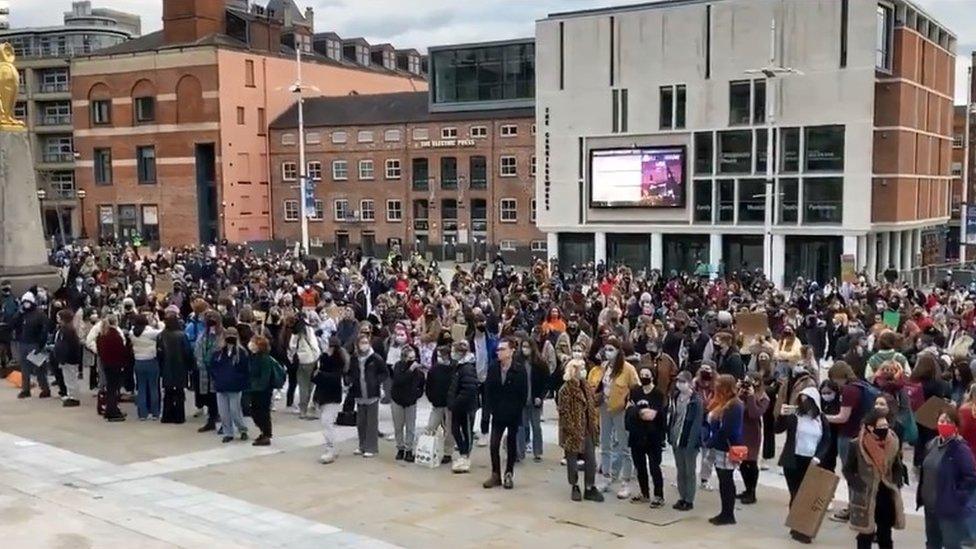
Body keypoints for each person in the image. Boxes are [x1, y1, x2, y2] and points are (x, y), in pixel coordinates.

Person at [843, 409, 906, 549]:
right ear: (870, 427)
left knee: (885, 533)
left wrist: (896, 481)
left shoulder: (893, 442)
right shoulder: (856, 445)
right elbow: (848, 470)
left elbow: (897, 465)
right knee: (865, 534)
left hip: (886, 493)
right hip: (866, 495)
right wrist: (859, 486)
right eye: (880, 426)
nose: (884, 429)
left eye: (886, 426)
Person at [776, 386, 831, 544]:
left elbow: (826, 440)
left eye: (806, 399)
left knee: (807, 495)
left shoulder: (821, 419)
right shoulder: (794, 415)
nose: (803, 402)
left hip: (811, 461)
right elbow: (777, 429)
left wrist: (818, 457)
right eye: (801, 399)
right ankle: (796, 526)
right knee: (796, 494)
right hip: (793, 459)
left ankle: (804, 527)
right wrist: (781, 416)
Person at [588, 338, 640, 499]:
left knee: (624, 447)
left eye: (611, 349)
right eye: (606, 349)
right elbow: (602, 386)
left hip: (621, 410)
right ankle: (606, 477)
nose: (608, 352)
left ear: (618, 350)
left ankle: (625, 482)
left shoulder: (628, 369)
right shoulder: (605, 367)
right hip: (605, 406)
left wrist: (629, 404)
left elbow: (636, 388)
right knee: (605, 444)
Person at [917, 409, 976, 549]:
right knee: (932, 543)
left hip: (949, 508)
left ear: (956, 426)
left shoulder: (960, 450)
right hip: (930, 506)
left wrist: (957, 497)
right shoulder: (931, 445)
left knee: (951, 544)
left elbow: (970, 478)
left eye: (948, 422)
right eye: (941, 421)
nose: (944, 424)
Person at [483, 336, 528, 490]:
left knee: (511, 444)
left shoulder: (519, 369)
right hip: (497, 412)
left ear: (511, 351)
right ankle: (496, 474)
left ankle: (509, 473)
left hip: (513, 413)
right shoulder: (493, 368)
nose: (499, 352)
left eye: (502, 349)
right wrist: (487, 412)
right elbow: (488, 391)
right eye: (498, 349)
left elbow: (523, 393)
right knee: (494, 444)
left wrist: (517, 410)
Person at [557, 356, 603, 502]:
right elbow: (564, 412)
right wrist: (571, 429)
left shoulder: (586, 386)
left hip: (587, 428)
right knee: (572, 460)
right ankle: (574, 485)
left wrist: (603, 396)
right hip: (572, 430)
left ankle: (590, 487)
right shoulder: (565, 390)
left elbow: (591, 403)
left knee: (591, 459)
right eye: (581, 368)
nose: (584, 370)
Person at [703, 374, 744, 526]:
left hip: (727, 447)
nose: (716, 386)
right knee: (723, 480)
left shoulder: (735, 405)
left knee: (726, 481)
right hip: (720, 446)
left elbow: (728, 430)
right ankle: (725, 512)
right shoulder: (723, 402)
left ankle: (728, 514)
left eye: (719, 384)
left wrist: (711, 442)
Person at [626, 363, 667, 508]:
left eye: (647, 375)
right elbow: (630, 411)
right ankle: (644, 493)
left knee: (654, 467)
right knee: (640, 466)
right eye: (641, 375)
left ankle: (659, 495)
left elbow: (658, 415)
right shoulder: (635, 391)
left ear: (652, 376)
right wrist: (641, 413)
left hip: (653, 436)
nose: (644, 377)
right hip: (637, 435)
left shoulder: (658, 394)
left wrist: (649, 414)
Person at [348, 333, 387, 458]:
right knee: (361, 422)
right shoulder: (354, 359)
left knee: (371, 422)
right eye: (361, 343)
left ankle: (371, 447)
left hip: (372, 394)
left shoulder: (375, 358)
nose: (364, 345)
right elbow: (349, 372)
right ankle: (362, 445)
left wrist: (376, 381)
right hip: (359, 394)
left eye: (366, 342)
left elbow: (384, 372)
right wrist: (349, 380)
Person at [669, 370, 703, 511]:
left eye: (683, 381)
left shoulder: (696, 401)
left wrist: (691, 442)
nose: (680, 384)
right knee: (680, 470)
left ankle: (689, 499)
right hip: (676, 437)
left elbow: (697, 423)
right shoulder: (675, 397)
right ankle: (682, 497)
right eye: (678, 381)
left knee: (690, 471)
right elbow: (672, 417)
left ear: (690, 383)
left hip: (689, 440)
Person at [208, 327, 250, 443]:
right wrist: (216, 378)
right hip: (221, 386)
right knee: (223, 412)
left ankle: (242, 430)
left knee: (235, 411)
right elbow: (212, 367)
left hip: (235, 387)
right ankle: (228, 432)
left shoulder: (241, 353)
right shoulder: (218, 353)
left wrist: (239, 380)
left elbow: (245, 370)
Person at [313, 337, 347, 463]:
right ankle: (331, 448)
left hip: (332, 396)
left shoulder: (338, 360)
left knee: (327, 423)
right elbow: (315, 376)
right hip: (322, 395)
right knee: (326, 423)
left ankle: (331, 449)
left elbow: (334, 378)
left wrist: (320, 374)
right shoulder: (323, 358)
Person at [737, 372, 769, 505]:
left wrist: (750, 397)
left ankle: (752, 492)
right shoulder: (742, 394)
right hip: (741, 431)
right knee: (742, 463)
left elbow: (754, 413)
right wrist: (738, 391)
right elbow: (735, 406)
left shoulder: (764, 398)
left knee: (751, 462)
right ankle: (746, 488)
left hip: (753, 433)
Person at [447, 341, 479, 473]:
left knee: (466, 431)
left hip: (466, 407)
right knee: (455, 430)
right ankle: (462, 452)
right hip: (457, 406)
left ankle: (465, 455)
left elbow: (469, 389)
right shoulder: (458, 366)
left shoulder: (467, 368)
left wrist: (456, 403)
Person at [390, 345, 424, 462]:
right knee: (398, 426)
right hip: (397, 400)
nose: (413, 361)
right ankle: (400, 448)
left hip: (411, 402)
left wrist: (416, 395)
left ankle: (409, 449)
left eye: (414, 358)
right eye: (410, 358)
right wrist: (410, 370)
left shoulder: (418, 372)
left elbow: (421, 384)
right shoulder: (398, 367)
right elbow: (399, 380)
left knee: (411, 427)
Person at [12, 292, 50, 399]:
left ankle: (45, 389)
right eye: (24, 302)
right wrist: (19, 313)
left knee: (39, 368)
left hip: (35, 344)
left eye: (28, 302)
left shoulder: (39, 314)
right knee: (24, 369)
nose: (26, 304)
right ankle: (25, 389)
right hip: (23, 343)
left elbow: (44, 330)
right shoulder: (22, 314)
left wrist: (40, 344)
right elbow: (13, 323)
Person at [424, 340, 455, 466]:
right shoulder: (434, 369)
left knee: (449, 430)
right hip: (437, 403)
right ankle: (427, 449)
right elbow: (429, 385)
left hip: (450, 404)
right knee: (430, 427)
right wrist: (431, 398)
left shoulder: (454, 368)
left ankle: (448, 453)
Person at [158, 314, 193, 424]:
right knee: (179, 392)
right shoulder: (182, 336)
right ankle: (179, 416)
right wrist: (190, 366)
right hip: (180, 367)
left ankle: (167, 416)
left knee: (168, 393)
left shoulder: (161, 335)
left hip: (166, 367)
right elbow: (187, 352)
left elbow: (159, 353)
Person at [518, 337, 548, 462]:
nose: (525, 349)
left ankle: (538, 451)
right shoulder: (518, 362)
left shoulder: (539, 364)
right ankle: (520, 451)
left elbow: (545, 382)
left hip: (535, 399)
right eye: (523, 346)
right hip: (521, 399)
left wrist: (540, 397)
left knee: (536, 426)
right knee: (521, 426)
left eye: (527, 346)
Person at [129, 313, 163, 421]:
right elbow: (161, 330)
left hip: (138, 361)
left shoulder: (132, 333)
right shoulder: (150, 333)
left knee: (141, 388)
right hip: (151, 360)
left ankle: (142, 414)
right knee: (153, 387)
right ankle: (155, 413)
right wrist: (157, 322)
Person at [95, 314, 128, 422]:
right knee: (114, 389)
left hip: (106, 364)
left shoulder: (102, 335)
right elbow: (122, 351)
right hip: (116, 364)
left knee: (110, 388)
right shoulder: (116, 336)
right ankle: (112, 411)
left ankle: (110, 409)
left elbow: (99, 349)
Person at [288, 314, 321, 419]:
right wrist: (318, 357)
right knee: (310, 385)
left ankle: (303, 410)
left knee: (303, 385)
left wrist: (292, 357)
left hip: (301, 360)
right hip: (311, 359)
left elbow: (292, 347)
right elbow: (314, 345)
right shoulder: (309, 330)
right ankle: (306, 406)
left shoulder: (295, 332)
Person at [247, 335, 278, 446]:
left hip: (263, 391)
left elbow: (265, 377)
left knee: (262, 413)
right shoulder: (254, 356)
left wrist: (256, 386)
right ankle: (263, 432)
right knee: (255, 412)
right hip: (255, 390)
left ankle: (266, 434)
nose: (251, 344)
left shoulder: (264, 358)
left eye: (253, 342)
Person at [51, 308, 82, 407]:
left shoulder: (67, 331)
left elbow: (65, 347)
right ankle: (70, 395)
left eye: (58, 317)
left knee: (71, 378)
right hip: (68, 358)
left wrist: (62, 359)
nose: (57, 319)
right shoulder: (65, 330)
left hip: (70, 359)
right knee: (68, 378)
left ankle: (74, 397)